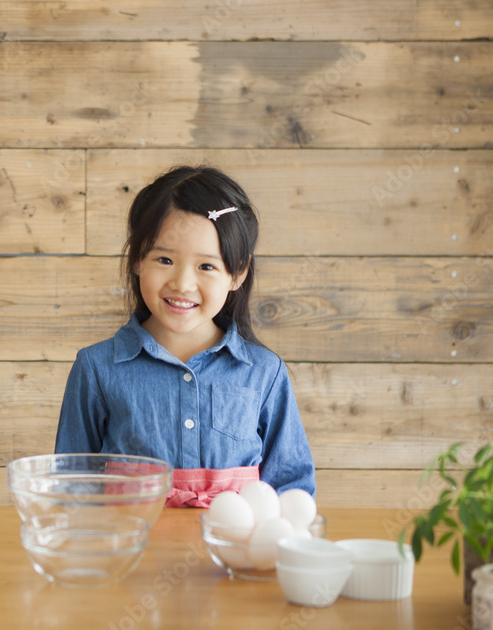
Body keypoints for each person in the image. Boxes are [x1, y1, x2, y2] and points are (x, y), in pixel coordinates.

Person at [55, 165, 314, 507]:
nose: (182, 284)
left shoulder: (265, 372)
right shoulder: (96, 367)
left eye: (206, 266)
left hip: (232, 558)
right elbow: (72, 485)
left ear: (237, 273)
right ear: (137, 260)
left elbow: (292, 488)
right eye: (164, 259)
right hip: (135, 555)